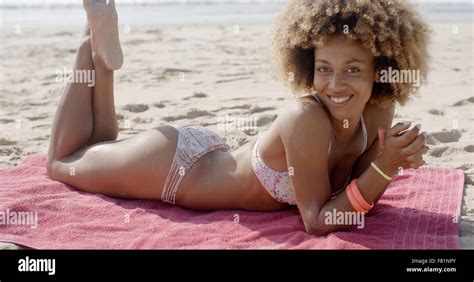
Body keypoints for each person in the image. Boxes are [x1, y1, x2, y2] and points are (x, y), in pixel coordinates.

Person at [47, 0, 430, 235]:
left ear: (380, 69)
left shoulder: (378, 110)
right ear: (307, 67)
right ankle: (89, 44)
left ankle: (102, 53)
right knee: (62, 162)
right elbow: (317, 220)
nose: (335, 84)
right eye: (324, 68)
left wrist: (392, 156)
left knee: (97, 146)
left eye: (353, 70)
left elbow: (360, 189)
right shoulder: (306, 119)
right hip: (174, 170)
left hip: (210, 156)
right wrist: (385, 167)